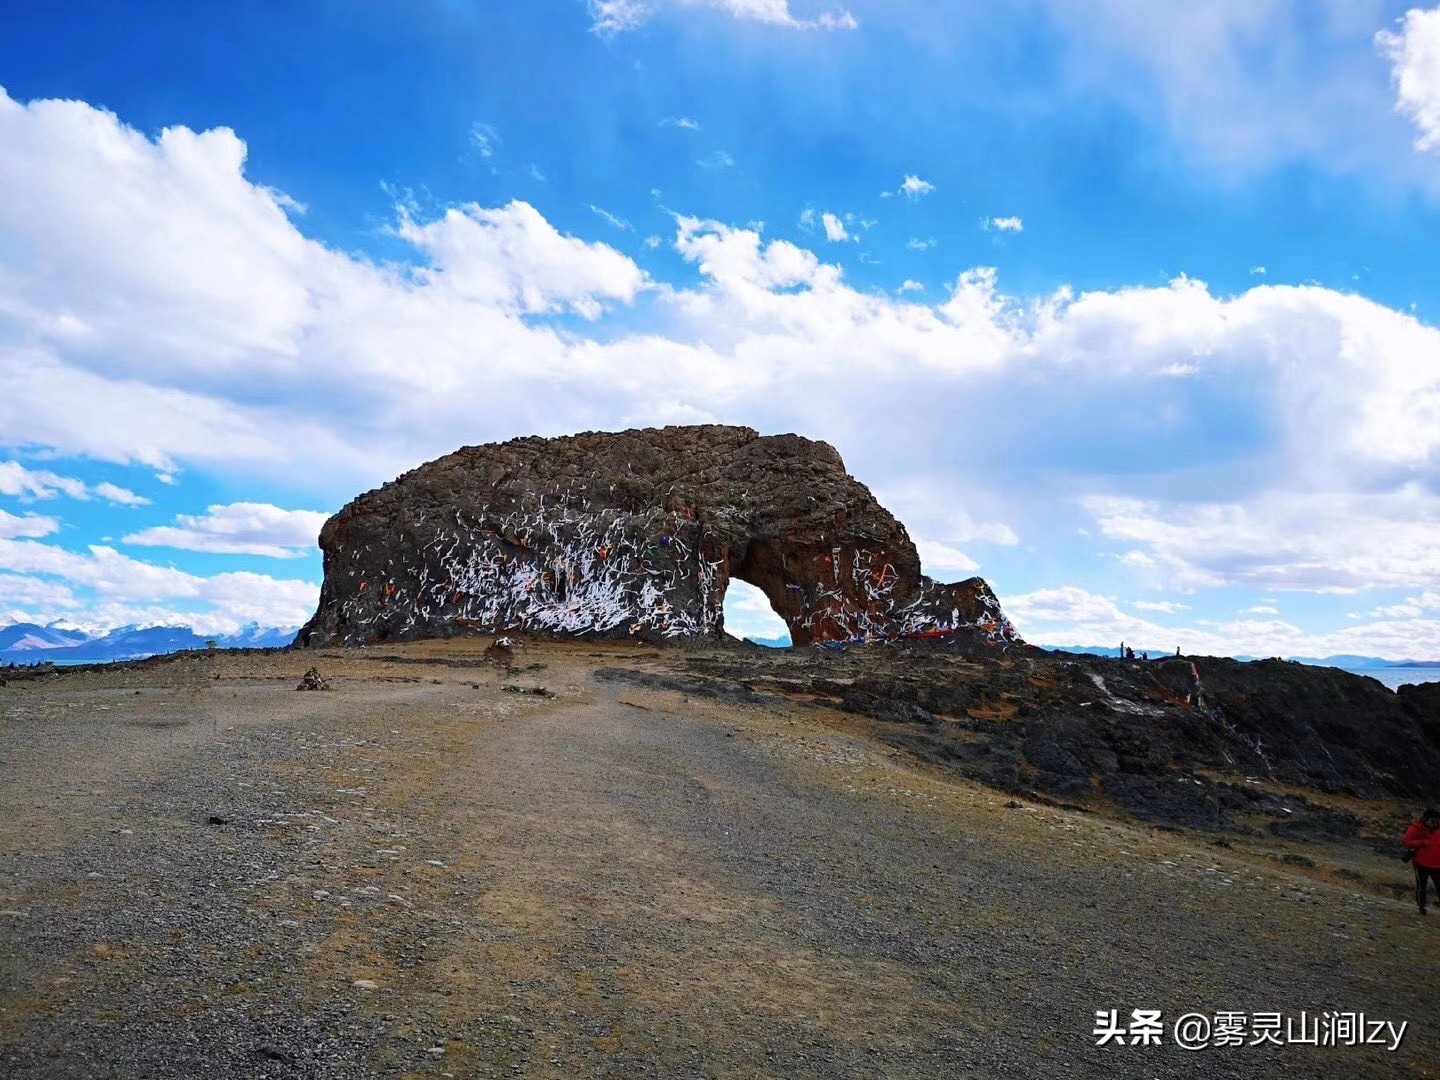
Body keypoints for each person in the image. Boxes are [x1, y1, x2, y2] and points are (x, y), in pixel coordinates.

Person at [1403, 809, 1440, 914]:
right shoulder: (1416, 828)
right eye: (1433, 821)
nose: (1435, 824)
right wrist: (1422, 842)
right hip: (1421, 863)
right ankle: (1421, 908)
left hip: (1437, 864)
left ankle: (1421, 907)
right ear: (1426, 819)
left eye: (1437, 821)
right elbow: (1407, 841)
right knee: (1421, 887)